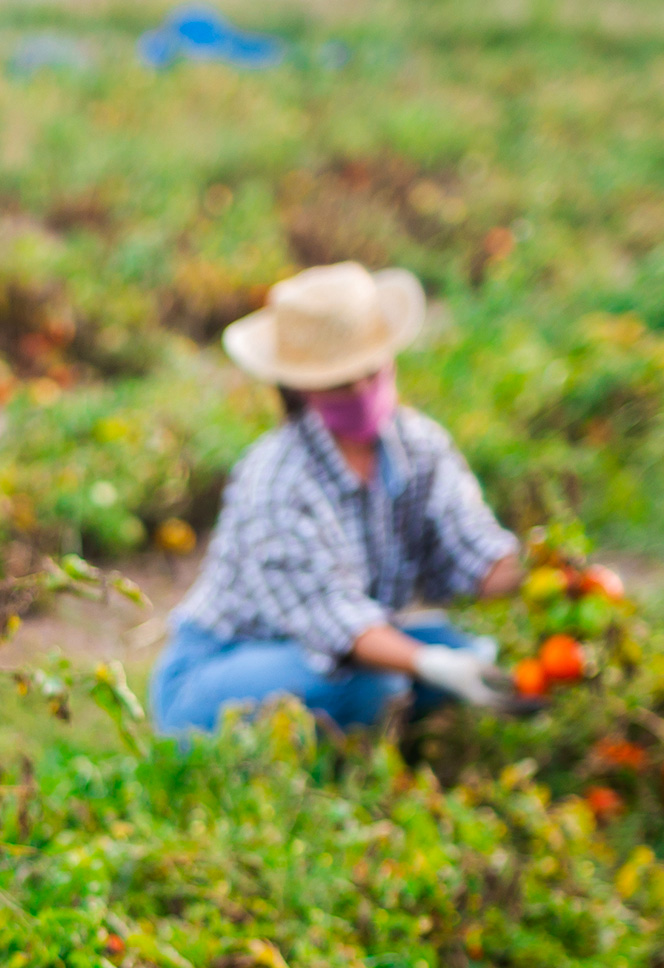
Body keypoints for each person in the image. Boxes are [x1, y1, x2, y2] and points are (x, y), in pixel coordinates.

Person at [152, 262, 529, 734]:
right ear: (297, 385)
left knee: (479, 653)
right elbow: (336, 626)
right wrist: (434, 665)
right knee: (376, 682)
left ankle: (380, 732)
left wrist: (544, 568)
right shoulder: (276, 478)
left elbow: (474, 553)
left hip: (336, 652)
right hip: (219, 671)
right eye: (339, 381)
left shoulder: (418, 447)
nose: (361, 390)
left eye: (371, 372)